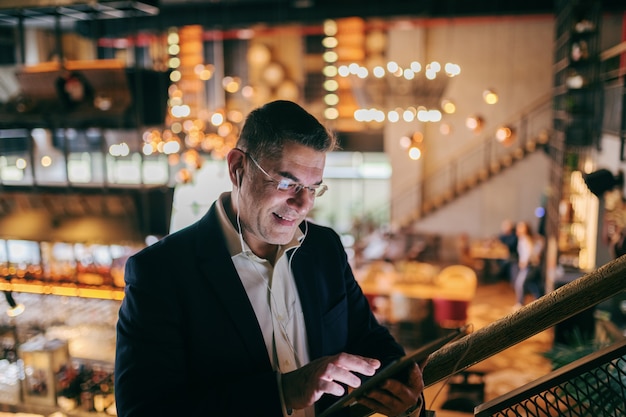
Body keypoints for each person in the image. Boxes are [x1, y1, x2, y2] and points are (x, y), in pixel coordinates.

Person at [114, 100, 424, 417]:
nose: (302, 204)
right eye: (287, 183)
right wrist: (284, 391)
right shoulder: (160, 273)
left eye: (313, 188)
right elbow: (144, 410)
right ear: (238, 168)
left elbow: (367, 338)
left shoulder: (324, 248)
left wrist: (402, 381)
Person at [512, 221, 544, 310]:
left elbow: (528, 252)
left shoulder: (524, 238)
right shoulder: (526, 238)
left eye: (521, 227)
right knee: (532, 284)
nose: (518, 229)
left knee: (520, 283)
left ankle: (520, 304)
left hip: (529, 265)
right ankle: (540, 302)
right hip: (532, 265)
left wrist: (524, 261)